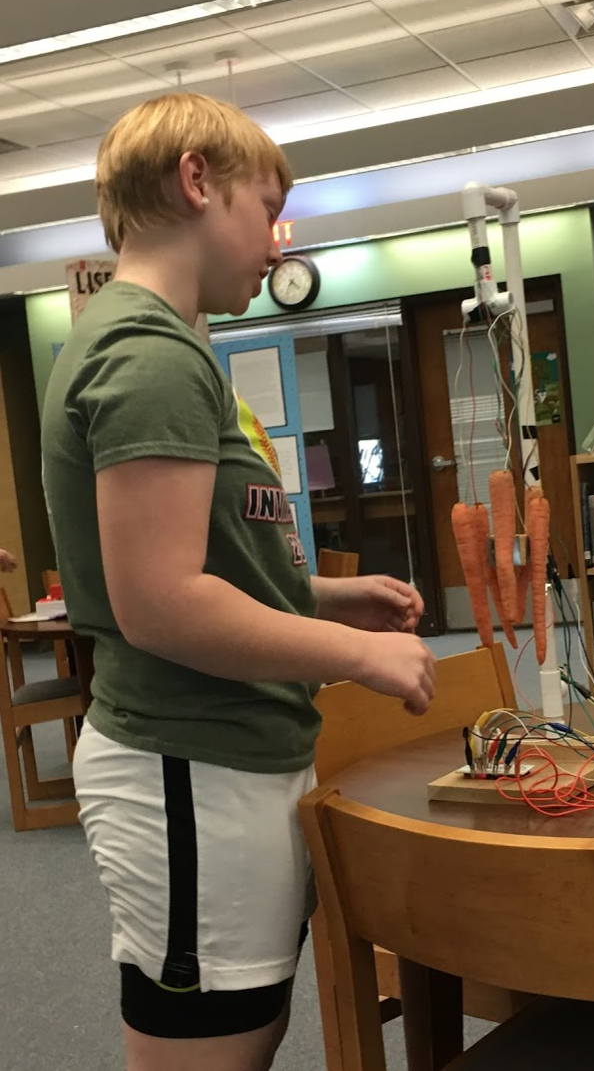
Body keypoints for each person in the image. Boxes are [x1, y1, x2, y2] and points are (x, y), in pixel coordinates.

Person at [41, 93, 437, 1071]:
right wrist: (355, 654)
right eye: (267, 208)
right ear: (196, 181)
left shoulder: (165, 344)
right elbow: (160, 604)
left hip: (226, 757)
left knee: (244, 1032)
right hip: (189, 761)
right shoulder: (147, 355)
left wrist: (326, 599)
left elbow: (200, 565)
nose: (274, 242)